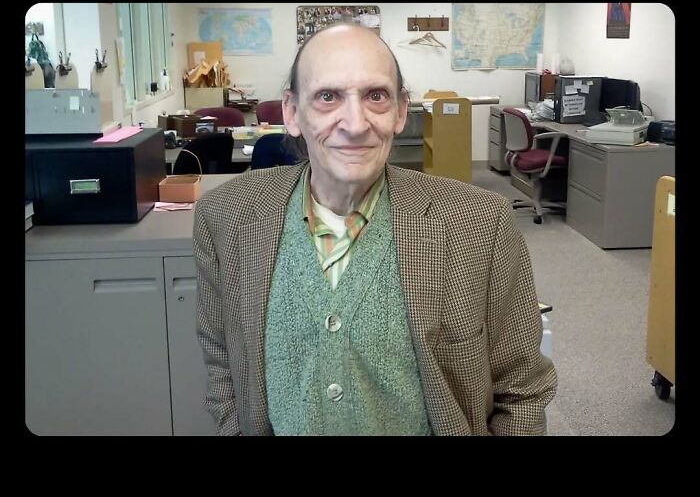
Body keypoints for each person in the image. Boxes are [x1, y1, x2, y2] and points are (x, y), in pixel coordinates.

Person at [194, 24, 557, 436]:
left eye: (375, 96)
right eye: (328, 97)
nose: (355, 123)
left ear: (401, 110)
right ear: (292, 113)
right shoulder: (227, 217)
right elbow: (221, 355)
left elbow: (523, 387)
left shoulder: (478, 224)